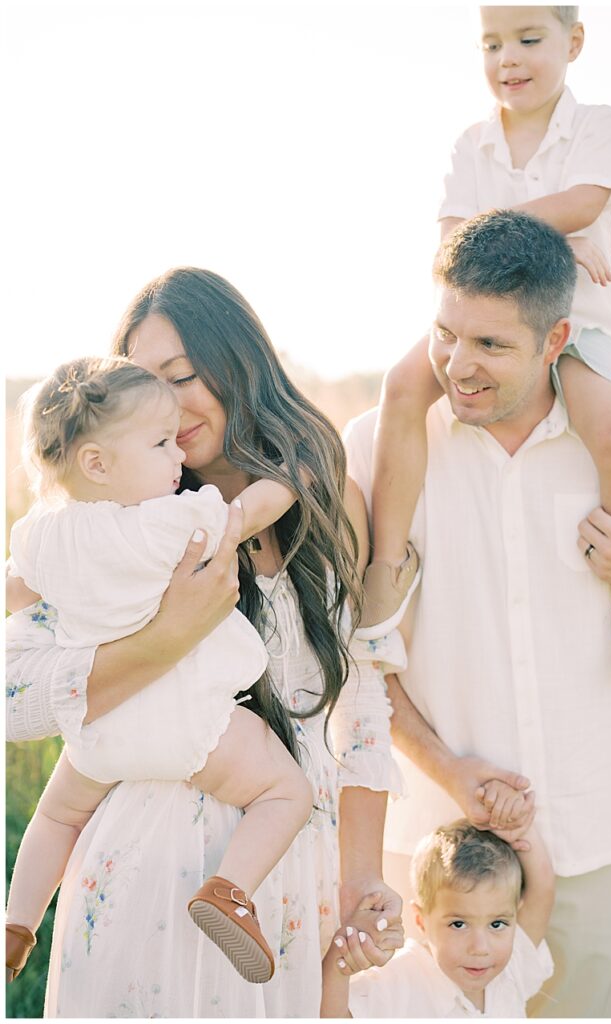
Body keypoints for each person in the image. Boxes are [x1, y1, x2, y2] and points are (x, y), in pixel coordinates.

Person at [344, 210, 611, 1017]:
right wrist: (444, 767)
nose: (459, 365)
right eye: (446, 335)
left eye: (491, 346)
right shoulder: (376, 447)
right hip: (431, 848)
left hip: (600, 832)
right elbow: (353, 658)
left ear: (556, 339)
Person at [5, 267, 405, 1017]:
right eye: (141, 381)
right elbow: (12, 706)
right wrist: (163, 641)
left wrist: (359, 879)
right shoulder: (124, 528)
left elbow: (361, 706)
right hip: (143, 863)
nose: (167, 402)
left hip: (280, 877)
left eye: (182, 374)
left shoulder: (325, 501)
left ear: (239, 363)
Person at [361, 6, 611, 687]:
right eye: (491, 44)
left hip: (573, 318)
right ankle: (387, 564)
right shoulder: (472, 143)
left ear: (573, 42)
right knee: (403, 386)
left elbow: (585, 201)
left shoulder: (593, 125)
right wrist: (548, 234)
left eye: (529, 40)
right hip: (479, 322)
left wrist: (524, 229)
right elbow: (449, 242)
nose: (509, 58)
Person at [5, 355, 315, 986]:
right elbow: (246, 515)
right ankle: (230, 890)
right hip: (191, 724)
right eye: (160, 442)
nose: (178, 456)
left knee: (58, 815)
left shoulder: (38, 534)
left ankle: (17, 923)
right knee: (285, 791)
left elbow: (19, 595)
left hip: (100, 733)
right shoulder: (172, 522)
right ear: (97, 463)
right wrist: (293, 474)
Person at [321, 814, 555, 1018]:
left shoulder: (512, 968)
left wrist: (517, 822)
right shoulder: (401, 978)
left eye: (497, 923)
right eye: (459, 924)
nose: (480, 947)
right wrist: (338, 968)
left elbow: (543, 888)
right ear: (421, 920)